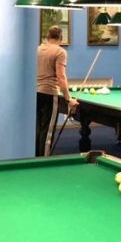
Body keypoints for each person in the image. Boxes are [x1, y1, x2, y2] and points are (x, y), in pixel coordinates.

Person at [36, 26, 78, 157]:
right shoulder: (60, 52)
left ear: (48, 36)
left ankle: (34, 159)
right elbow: (61, 77)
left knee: (37, 128)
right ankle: (44, 161)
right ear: (61, 37)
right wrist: (68, 99)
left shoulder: (38, 49)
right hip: (50, 93)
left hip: (35, 92)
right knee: (47, 130)